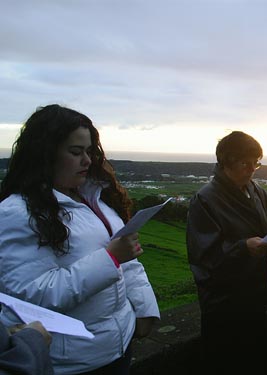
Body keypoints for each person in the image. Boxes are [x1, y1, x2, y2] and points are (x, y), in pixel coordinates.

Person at [0, 104, 160, 374]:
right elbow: (32, 297)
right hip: (72, 361)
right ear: (45, 154)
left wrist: (145, 310)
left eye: (89, 151)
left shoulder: (95, 199)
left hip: (117, 346)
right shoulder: (17, 213)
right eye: (76, 152)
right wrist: (110, 257)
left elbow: (128, 262)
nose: (87, 160)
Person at [186, 131, 267, 375]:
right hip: (224, 307)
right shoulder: (205, 199)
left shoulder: (256, 191)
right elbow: (204, 259)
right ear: (226, 161)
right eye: (246, 163)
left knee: (256, 362)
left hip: (255, 297)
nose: (252, 169)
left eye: (256, 162)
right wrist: (243, 248)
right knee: (227, 365)